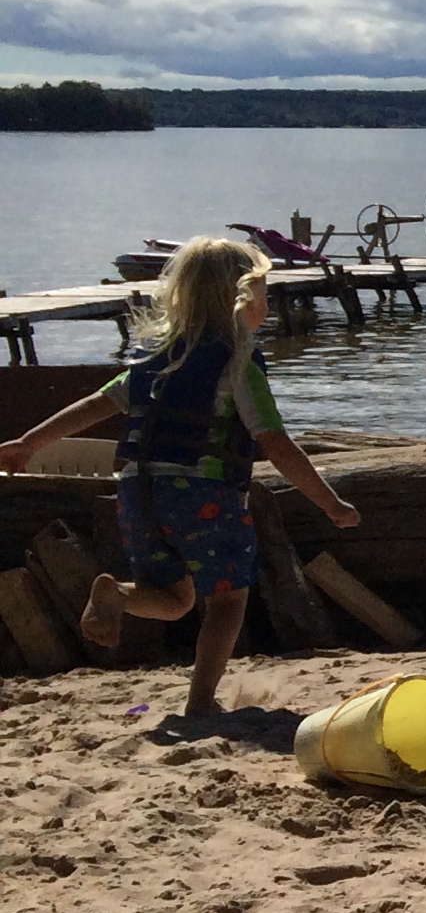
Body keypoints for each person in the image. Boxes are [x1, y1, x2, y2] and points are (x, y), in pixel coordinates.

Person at [0, 237, 358, 716]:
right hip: (203, 495)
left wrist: (29, 443)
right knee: (228, 599)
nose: (268, 305)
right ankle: (201, 700)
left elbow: (93, 406)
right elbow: (274, 442)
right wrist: (329, 503)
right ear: (244, 299)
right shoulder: (238, 363)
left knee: (172, 599)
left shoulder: (153, 361)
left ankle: (118, 594)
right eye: (265, 294)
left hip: (137, 493)